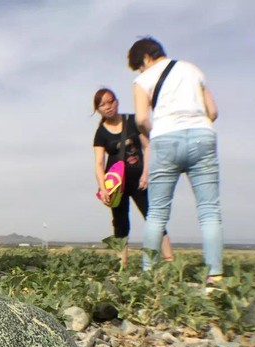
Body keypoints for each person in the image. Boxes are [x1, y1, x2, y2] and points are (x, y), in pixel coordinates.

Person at [127, 37, 222, 284]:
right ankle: (215, 276)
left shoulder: (143, 80)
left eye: (139, 66)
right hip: (202, 136)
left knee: (157, 212)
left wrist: (156, 133)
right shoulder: (193, 70)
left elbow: (141, 119)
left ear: (145, 58)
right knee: (209, 210)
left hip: (165, 139)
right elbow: (212, 111)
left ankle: (149, 274)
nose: (140, 71)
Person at [93, 88, 173, 267]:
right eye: (102, 105)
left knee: (153, 217)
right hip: (116, 186)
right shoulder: (101, 133)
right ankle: (123, 265)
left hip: (139, 181)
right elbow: (99, 164)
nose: (107, 107)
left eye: (110, 102)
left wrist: (146, 173)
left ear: (117, 102)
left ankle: (170, 260)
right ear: (98, 109)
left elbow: (147, 146)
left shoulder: (132, 121)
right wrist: (103, 188)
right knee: (120, 223)